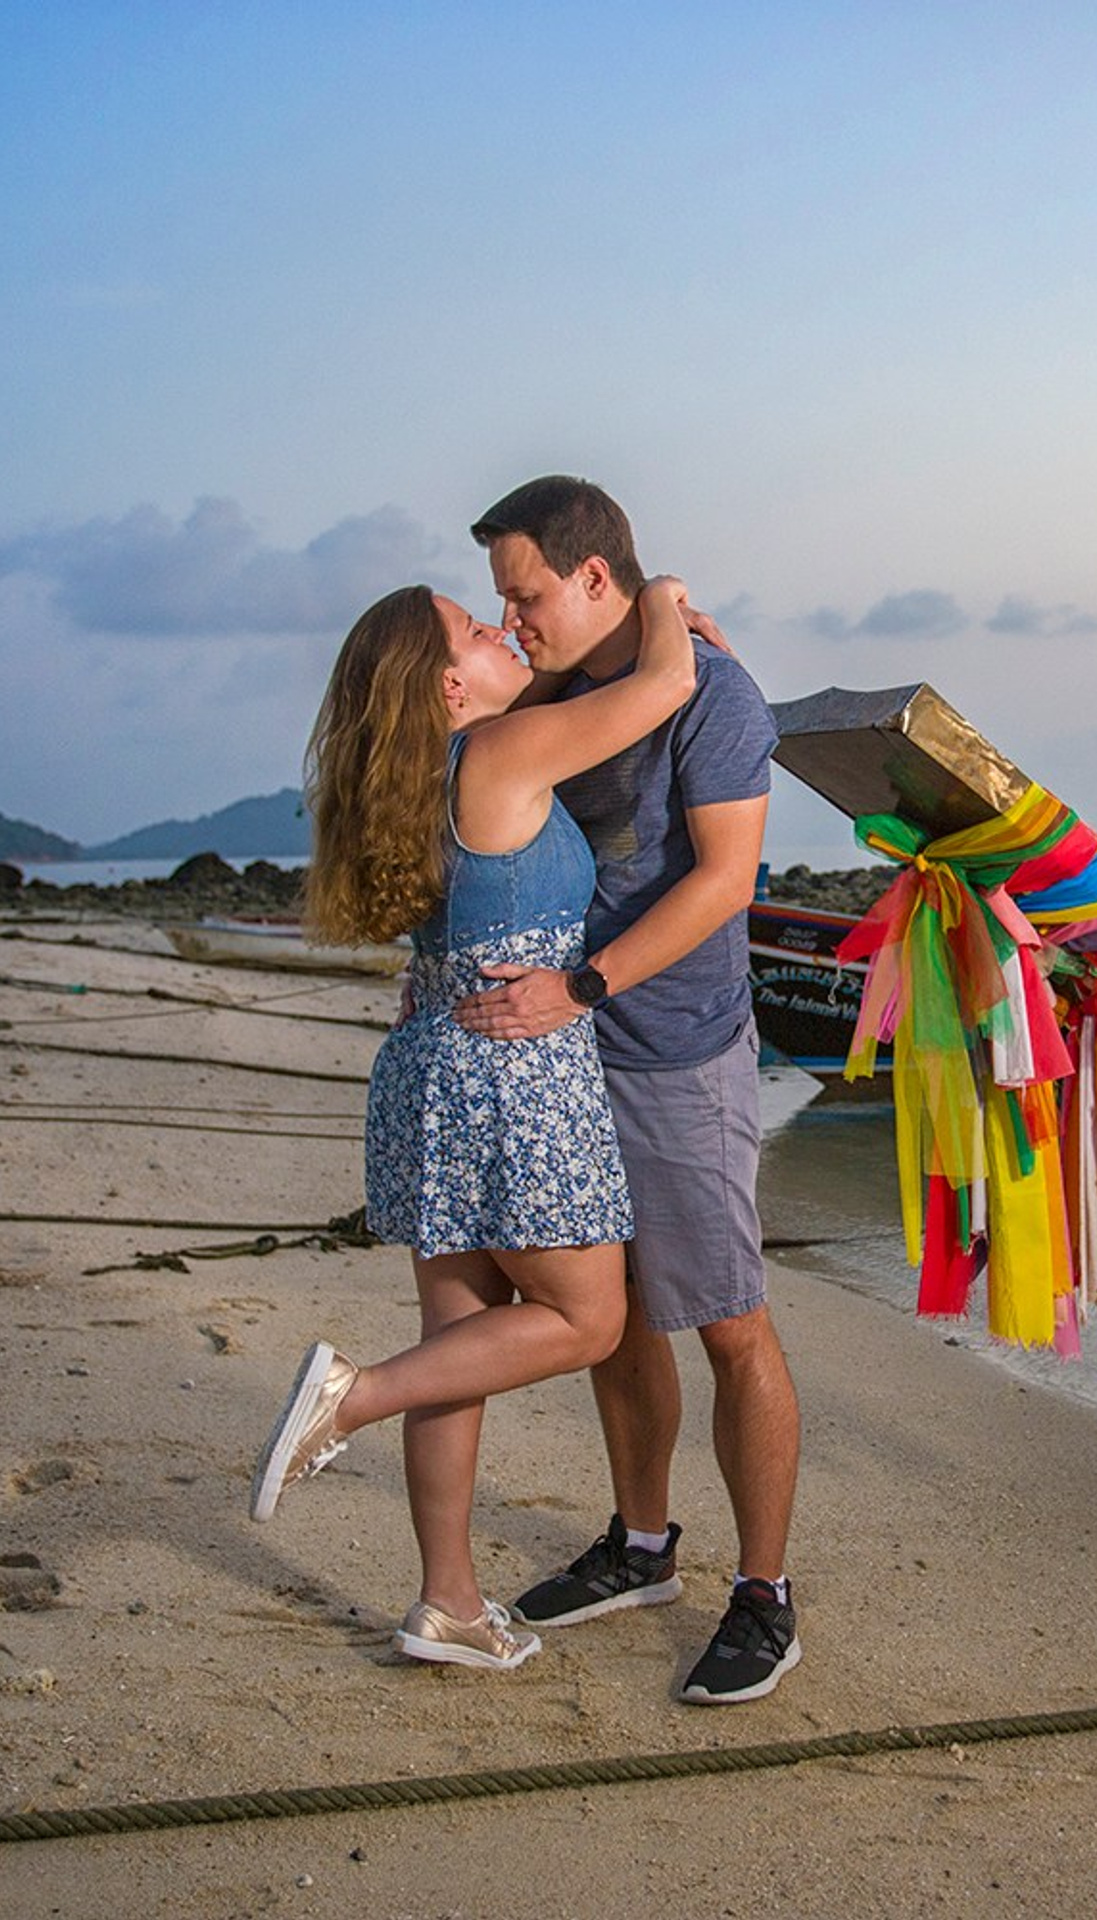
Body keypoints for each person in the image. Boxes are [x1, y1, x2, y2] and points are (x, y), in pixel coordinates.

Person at [250, 574, 697, 1674]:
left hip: (433, 1069)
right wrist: (667, 599)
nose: (505, 630)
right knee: (588, 1322)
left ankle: (446, 1602)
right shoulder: (507, 754)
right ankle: (353, 1396)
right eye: (477, 627)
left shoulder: (429, 776)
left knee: (460, 1350)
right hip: (518, 1075)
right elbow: (670, 681)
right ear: (451, 685)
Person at [454, 475, 802, 1706]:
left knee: (727, 1321)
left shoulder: (711, 693)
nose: (514, 617)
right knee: (616, 1315)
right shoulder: (568, 685)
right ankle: (643, 1545)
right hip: (572, 1052)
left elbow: (723, 881)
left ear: (594, 576)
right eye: (504, 597)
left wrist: (580, 987)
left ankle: (765, 1595)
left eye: (528, 591)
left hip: (677, 1050)